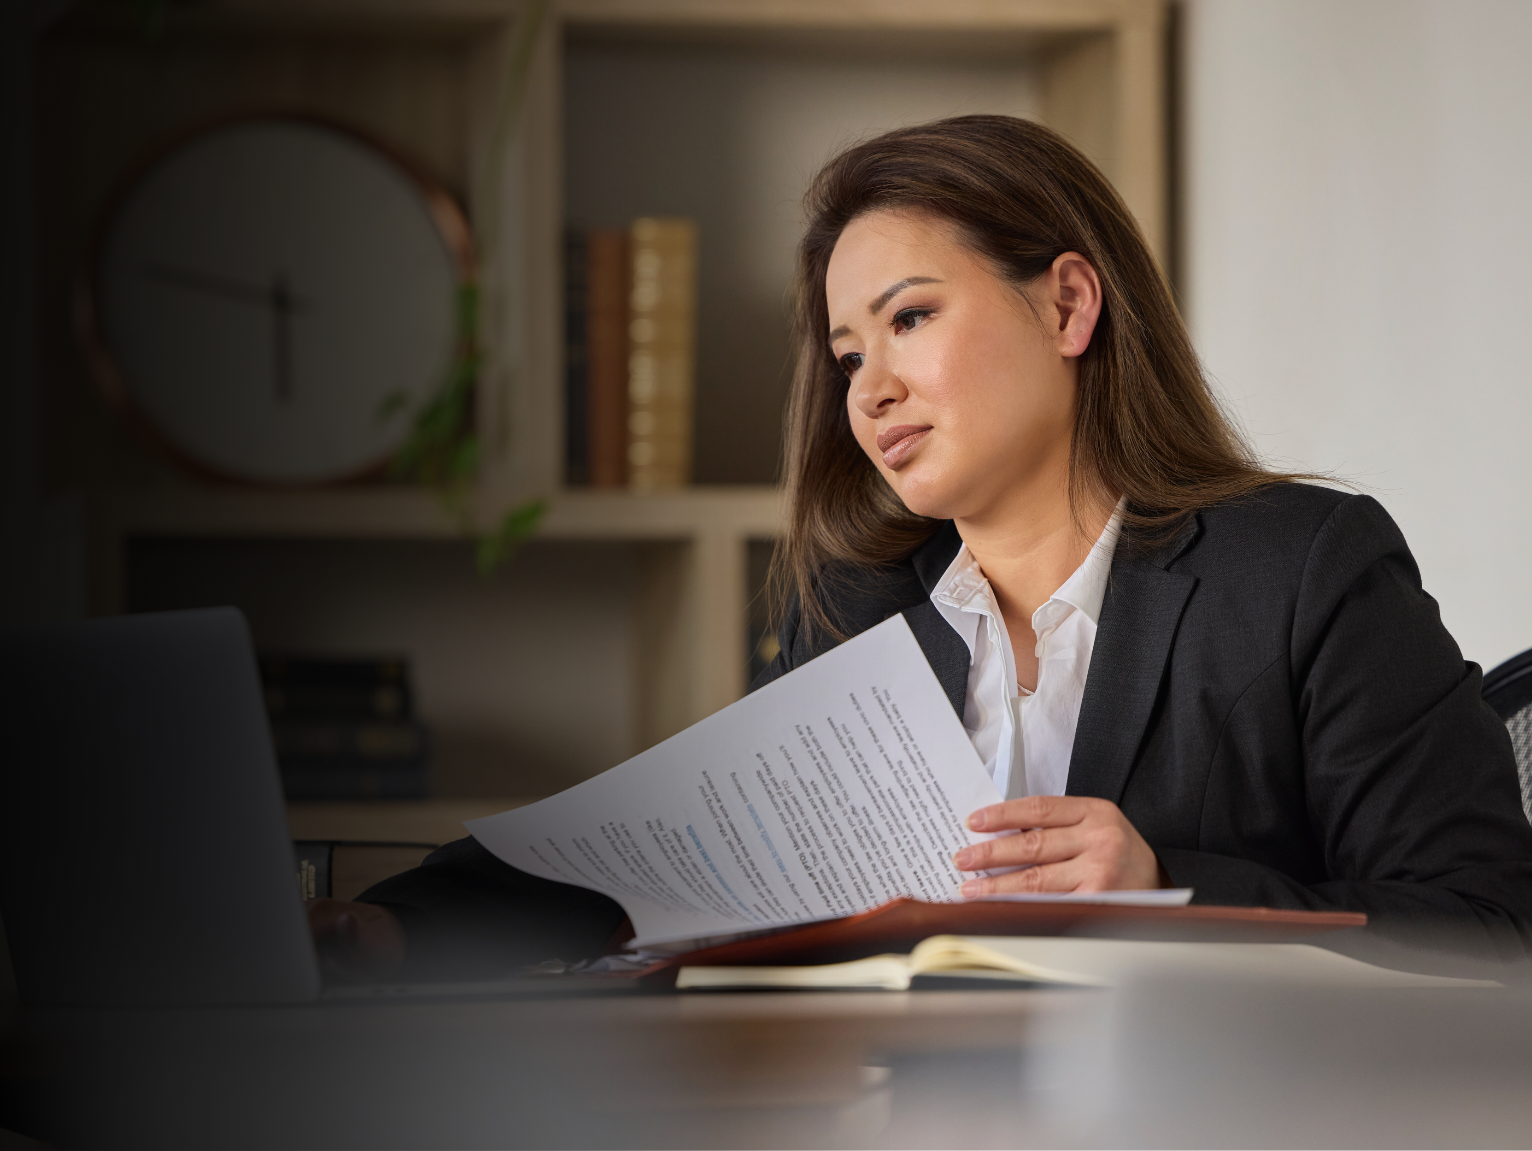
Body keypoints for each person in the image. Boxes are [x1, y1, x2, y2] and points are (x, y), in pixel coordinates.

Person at [308, 114, 1532, 981]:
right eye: (847, 355)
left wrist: (1166, 885)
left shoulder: (1302, 568)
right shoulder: (859, 603)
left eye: (909, 318)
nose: (870, 389)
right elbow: (687, 852)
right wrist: (393, 927)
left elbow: (1486, 924)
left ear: (1066, 304)